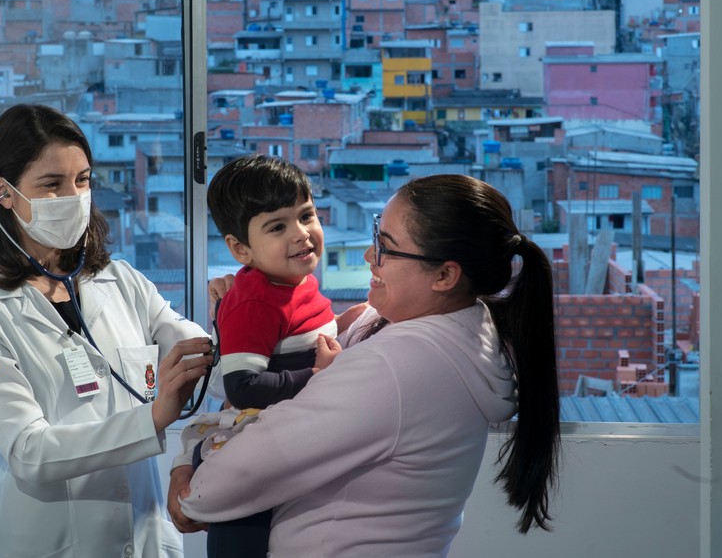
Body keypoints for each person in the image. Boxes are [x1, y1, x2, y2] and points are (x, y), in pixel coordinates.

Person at [169, 174, 561, 555]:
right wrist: (246, 309)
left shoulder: (393, 367)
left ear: (444, 275)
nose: (368, 255)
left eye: (386, 246)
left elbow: (229, 481)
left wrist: (188, 469)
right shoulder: (461, 327)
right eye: (377, 234)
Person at [0, 104, 215, 558]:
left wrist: (244, 312)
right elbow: (28, 451)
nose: (73, 196)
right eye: (52, 184)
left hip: (146, 537)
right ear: (4, 192)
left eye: (82, 180)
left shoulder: (121, 281)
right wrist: (150, 419)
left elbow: (193, 349)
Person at [182, 154, 339, 557]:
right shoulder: (256, 301)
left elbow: (301, 337)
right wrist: (317, 377)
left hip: (285, 446)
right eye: (277, 226)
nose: (301, 233)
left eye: (307, 215)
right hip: (250, 457)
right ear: (241, 249)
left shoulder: (295, 280)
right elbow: (244, 386)